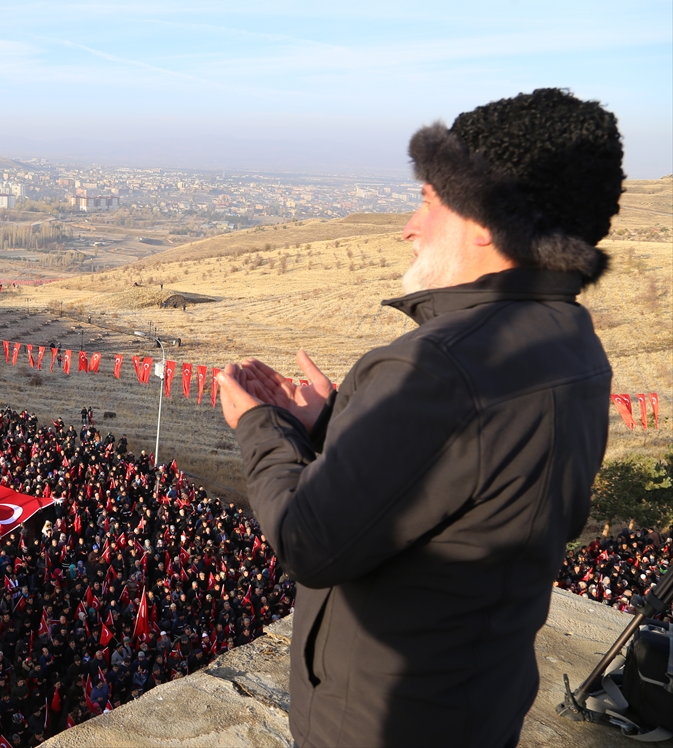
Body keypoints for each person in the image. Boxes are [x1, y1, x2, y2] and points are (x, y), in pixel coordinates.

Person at [218, 89, 621, 748]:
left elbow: (307, 543)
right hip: (476, 703)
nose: (409, 225)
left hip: (382, 721)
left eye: (430, 201)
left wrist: (260, 423)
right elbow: (479, 488)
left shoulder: (439, 368)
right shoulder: (573, 342)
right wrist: (332, 429)